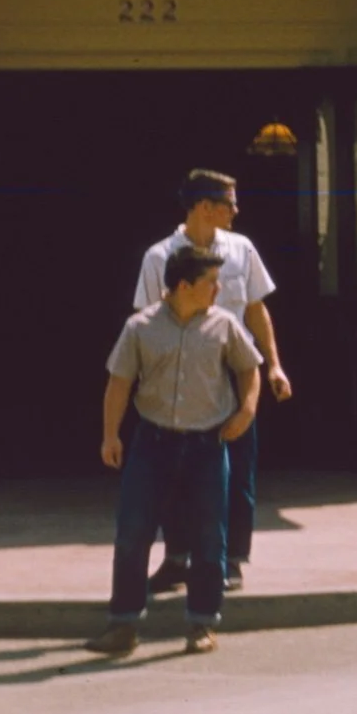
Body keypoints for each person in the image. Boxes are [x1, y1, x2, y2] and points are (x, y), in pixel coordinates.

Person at [85, 249, 262, 658]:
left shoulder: (225, 326)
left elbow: (248, 369)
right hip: (154, 443)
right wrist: (110, 435)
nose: (219, 290)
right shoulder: (140, 327)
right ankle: (124, 626)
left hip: (206, 444)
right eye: (211, 283)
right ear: (184, 286)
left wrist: (247, 411)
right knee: (133, 532)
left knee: (208, 536)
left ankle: (202, 623)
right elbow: (119, 384)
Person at [134, 169, 290, 594]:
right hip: (181, 378)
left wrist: (273, 365)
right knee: (175, 472)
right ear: (205, 207)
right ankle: (178, 558)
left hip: (232, 372)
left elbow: (256, 310)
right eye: (229, 203)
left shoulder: (241, 251)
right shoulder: (159, 257)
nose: (236, 211)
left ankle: (232, 559)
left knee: (238, 469)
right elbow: (146, 322)